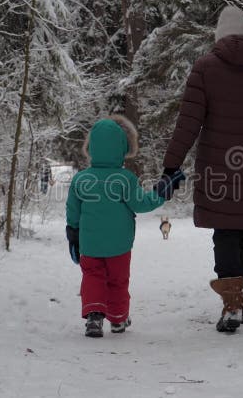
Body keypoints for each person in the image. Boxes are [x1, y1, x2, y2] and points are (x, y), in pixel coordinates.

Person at [160, 6, 243, 333]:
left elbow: (188, 123)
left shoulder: (205, 68)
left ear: (219, 36)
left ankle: (232, 304)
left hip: (218, 171)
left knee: (226, 232)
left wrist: (171, 165)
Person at [66, 115, 185, 338]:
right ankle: (118, 319)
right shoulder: (125, 179)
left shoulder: (80, 179)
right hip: (119, 245)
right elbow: (142, 204)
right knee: (118, 280)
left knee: (92, 276)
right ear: (122, 147)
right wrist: (163, 189)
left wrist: (73, 234)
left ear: (91, 147)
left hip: (89, 244)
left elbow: (73, 212)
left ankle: (94, 316)